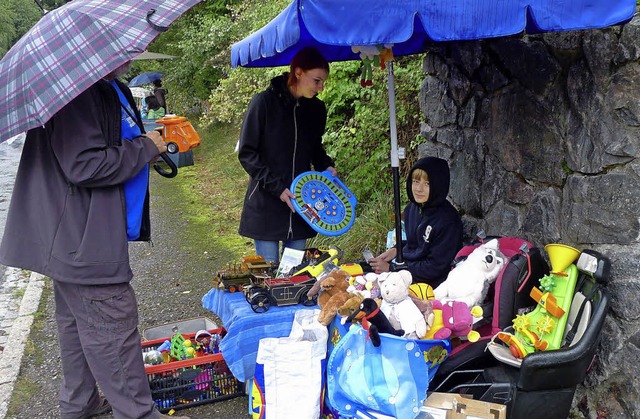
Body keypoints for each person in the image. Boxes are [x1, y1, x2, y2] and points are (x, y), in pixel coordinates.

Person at [0, 61, 188, 419]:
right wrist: (145, 148)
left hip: (74, 234)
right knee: (112, 327)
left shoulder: (100, 85)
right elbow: (84, 166)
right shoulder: (76, 93)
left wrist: (142, 141)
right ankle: (137, 413)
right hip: (82, 239)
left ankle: (81, 403)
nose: (131, 57)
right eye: (124, 51)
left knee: (77, 327)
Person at [237, 46, 336, 263]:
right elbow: (247, 153)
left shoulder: (316, 109)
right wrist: (278, 188)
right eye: (317, 80)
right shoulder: (263, 103)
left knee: (294, 273)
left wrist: (326, 166)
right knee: (269, 274)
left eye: (323, 82)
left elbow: (315, 148)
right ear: (298, 72)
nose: (320, 88)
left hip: (303, 203)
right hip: (266, 201)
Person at [369, 157, 463, 288]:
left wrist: (393, 268)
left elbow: (434, 267)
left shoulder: (448, 221)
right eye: (416, 181)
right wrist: (396, 250)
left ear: (438, 185)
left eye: (427, 184)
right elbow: (417, 244)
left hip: (432, 286)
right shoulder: (412, 209)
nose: (419, 189)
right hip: (406, 272)